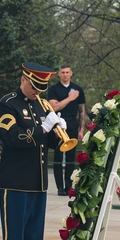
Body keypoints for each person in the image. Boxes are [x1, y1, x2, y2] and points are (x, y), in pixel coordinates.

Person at [0, 62, 63, 240]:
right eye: (34, 87)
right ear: (23, 79)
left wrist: (56, 128)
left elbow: (50, 144)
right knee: (15, 236)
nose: (37, 92)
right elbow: (13, 137)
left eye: (40, 89)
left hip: (38, 181)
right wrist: (42, 128)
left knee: (34, 235)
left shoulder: (41, 104)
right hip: (15, 180)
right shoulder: (8, 104)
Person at [47, 64, 87, 195]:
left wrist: (81, 129)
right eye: (62, 72)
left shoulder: (78, 89)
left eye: (67, 72)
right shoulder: (54, 89)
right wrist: (70, 98)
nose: (65, 74)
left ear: (71, 73)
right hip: (58, 123)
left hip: (72, 123)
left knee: (70, 157)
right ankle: (59, 187)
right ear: (59, 74)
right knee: (58, 156)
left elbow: (81, 111)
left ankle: (68, 186)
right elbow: (55, 107)